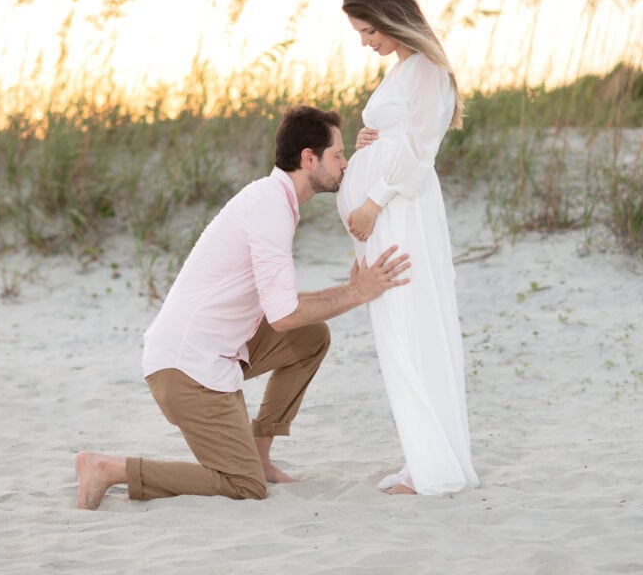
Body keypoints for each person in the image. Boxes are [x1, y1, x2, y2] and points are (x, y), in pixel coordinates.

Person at [76, 105, 411, 508]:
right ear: (308, 159)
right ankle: (111, 468)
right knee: (243, 485)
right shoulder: (268, 208)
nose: (344, 164)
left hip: (215, 351)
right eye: (338, 155)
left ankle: (261, 455)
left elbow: (282, 310)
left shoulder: (273, 200)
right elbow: (284, 315)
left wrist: (353, 288)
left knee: (310, 337)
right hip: (186, 369)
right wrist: (358, 293)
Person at [337, 0, 479, 496]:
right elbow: (400, 137)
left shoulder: (424, 68)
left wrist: (372, 202)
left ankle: (432, 467)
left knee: (412, 324)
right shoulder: (404, 70)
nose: (365, 41)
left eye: (369, 29)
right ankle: (426, 457)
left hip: (399, 210)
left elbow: (420, 150)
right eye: (359, 33)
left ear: (392, 16)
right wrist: (367, 142)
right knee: (399, 325)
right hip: (390, 208)